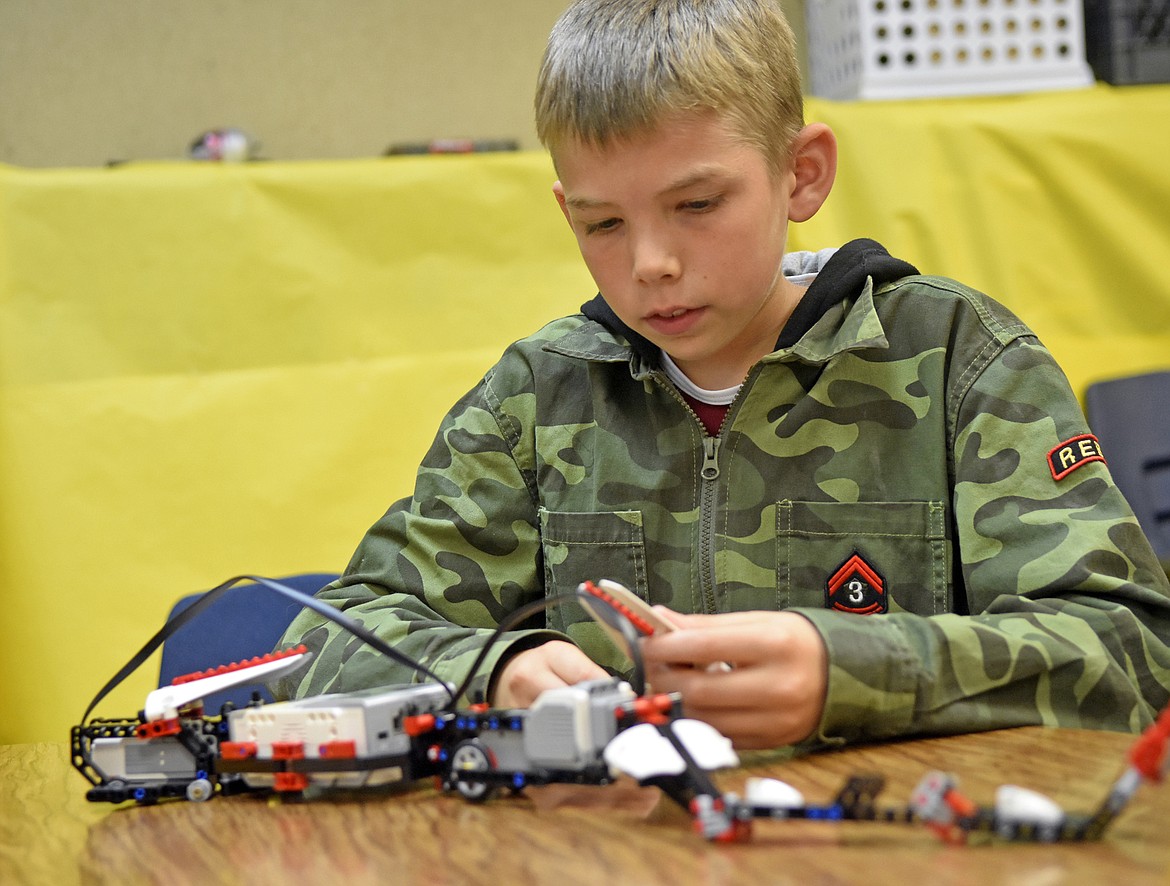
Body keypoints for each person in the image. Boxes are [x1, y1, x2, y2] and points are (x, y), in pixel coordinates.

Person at [273, 0, 1170, 751]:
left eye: (696, 205)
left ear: (801, 174)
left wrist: (853, 672)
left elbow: (1131, 652)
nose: (651, 264)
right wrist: (494, 670)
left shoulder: (959, 362)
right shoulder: (537, 399)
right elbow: (321, 643)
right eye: (602, 225)